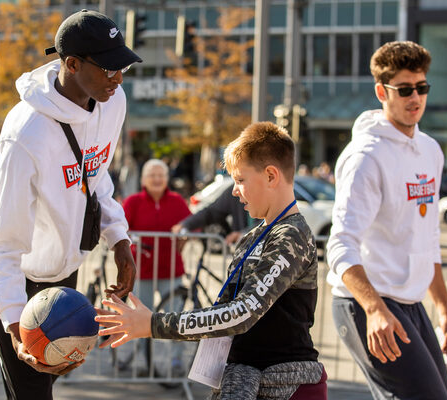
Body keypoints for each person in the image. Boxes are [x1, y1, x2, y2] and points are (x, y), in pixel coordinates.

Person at [96, 122, 327, 399]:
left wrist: (153, 324)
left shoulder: (292, 235)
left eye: (240, 180)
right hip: (243, 380)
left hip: (287, 386)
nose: (234, 191)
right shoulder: (251, 236)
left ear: (270, 176)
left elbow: (241, 313)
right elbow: (227, 311)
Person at [0, 10, 139, 399]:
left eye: (123, 68)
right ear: (71, 64)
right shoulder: (27, 134)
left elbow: (96, 177)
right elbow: (2, 245)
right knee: (32, 391)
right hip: (22, 276)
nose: (118, 79)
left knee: (50, 381)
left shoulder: (112, 102)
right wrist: (16, 327)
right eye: (109, 69)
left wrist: (120, 241)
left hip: (65, 273)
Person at [326, 41, 447, 400]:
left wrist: (445, 313)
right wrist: (373, 309)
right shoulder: (365, 157)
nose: (415, 97)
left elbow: (428, 239)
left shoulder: (431, 151)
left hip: (411, 304)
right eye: (404, 89)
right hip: (366, 304)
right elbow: (340, 244)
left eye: (421, 87)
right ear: (381, 92)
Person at [121, 158, 192, 375]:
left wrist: (186, 235)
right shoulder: (133, 202)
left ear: (167, 179)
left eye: (161, 175)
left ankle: (176, 361)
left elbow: (190, 226)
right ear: (144, 179)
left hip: (171, 271)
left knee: (175, 318)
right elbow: (120, 229)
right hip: (141, 272)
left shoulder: (177, 201)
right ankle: (146, 363)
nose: (157, 179)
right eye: (152, 175)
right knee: (142, 320)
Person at [171, 183, 254, 246]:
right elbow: (212, 212)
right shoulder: (232, 194)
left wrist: (245, 234)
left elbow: (265, 223)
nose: (234, 191)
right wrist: (185, 224)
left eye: (240, 180)